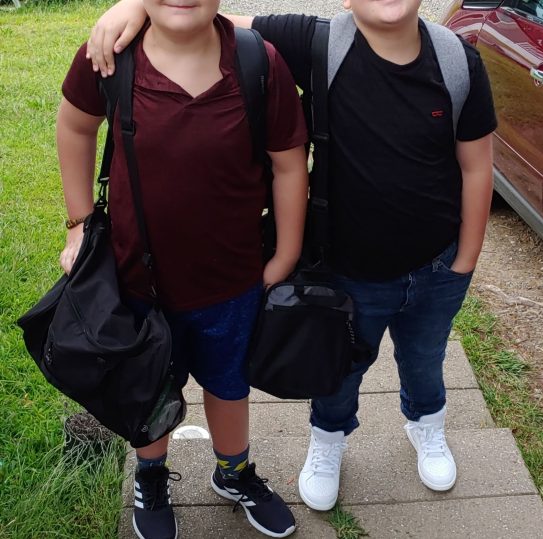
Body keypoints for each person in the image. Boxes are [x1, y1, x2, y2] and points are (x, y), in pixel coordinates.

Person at [87, 0, 497, 515]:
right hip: (348, 269)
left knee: (425, 356)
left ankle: (427, 426)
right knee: (339, 366)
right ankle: (328, 440)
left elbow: (476, 165)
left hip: (436, 266)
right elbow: (206, 18)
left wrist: (465, 260)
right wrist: (133, 7)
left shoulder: (458, 61)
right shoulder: (317, 43)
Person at [57, 0, 309, 536]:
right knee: (147, 387)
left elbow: (289, 162)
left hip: (232, 283)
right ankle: (150, 476)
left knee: (229, 385)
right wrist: (79, 223)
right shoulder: (111, 58)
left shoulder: (257, 62)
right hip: (136, 283)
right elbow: (76, 126)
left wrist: (286, 253)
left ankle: (233, 472)